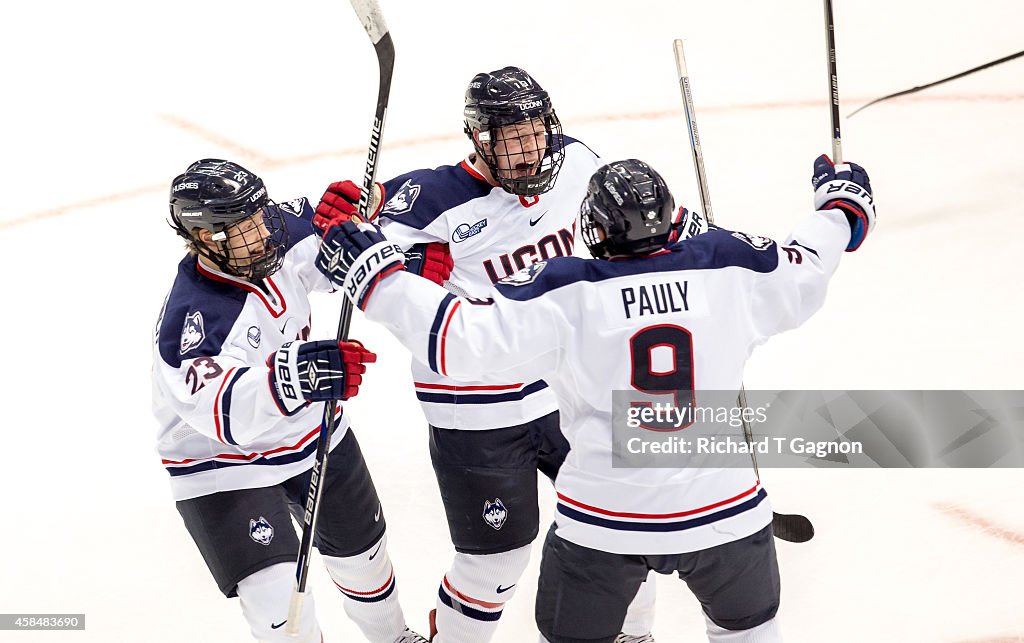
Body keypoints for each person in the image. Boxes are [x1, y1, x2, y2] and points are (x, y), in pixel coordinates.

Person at [313, 155, 876, 642]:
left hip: (606, 522)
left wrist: (375, 273)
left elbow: (460, 341)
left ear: (597, 232)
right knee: (751, 633)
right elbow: (810, 262)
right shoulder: (729, 266)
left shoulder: (566, 291)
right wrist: (841, 209)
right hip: (726, 513)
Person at [313, 66, 657, 643]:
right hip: (476, 410)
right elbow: (337, 256)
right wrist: (349, 222)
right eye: (509, 137)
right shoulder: (434, 197)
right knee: (499, 561)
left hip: (570, 388)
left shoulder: (579, 163)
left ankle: (634, 635)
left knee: (629, 522)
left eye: (535, 131)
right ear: (478, 138)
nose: (528, 150)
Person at [151, 159, 427, 643]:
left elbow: (331, 253)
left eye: (261, 216)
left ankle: (394, 638)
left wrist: (370, 238)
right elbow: (224, 412)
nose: (263, 232)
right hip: (221, 465)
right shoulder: (193, 321)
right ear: (206, 238)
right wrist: (297, 376)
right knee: (278, 608)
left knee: (366, 561)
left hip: (310, 432)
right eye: (244, 227)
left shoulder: (272, 237)